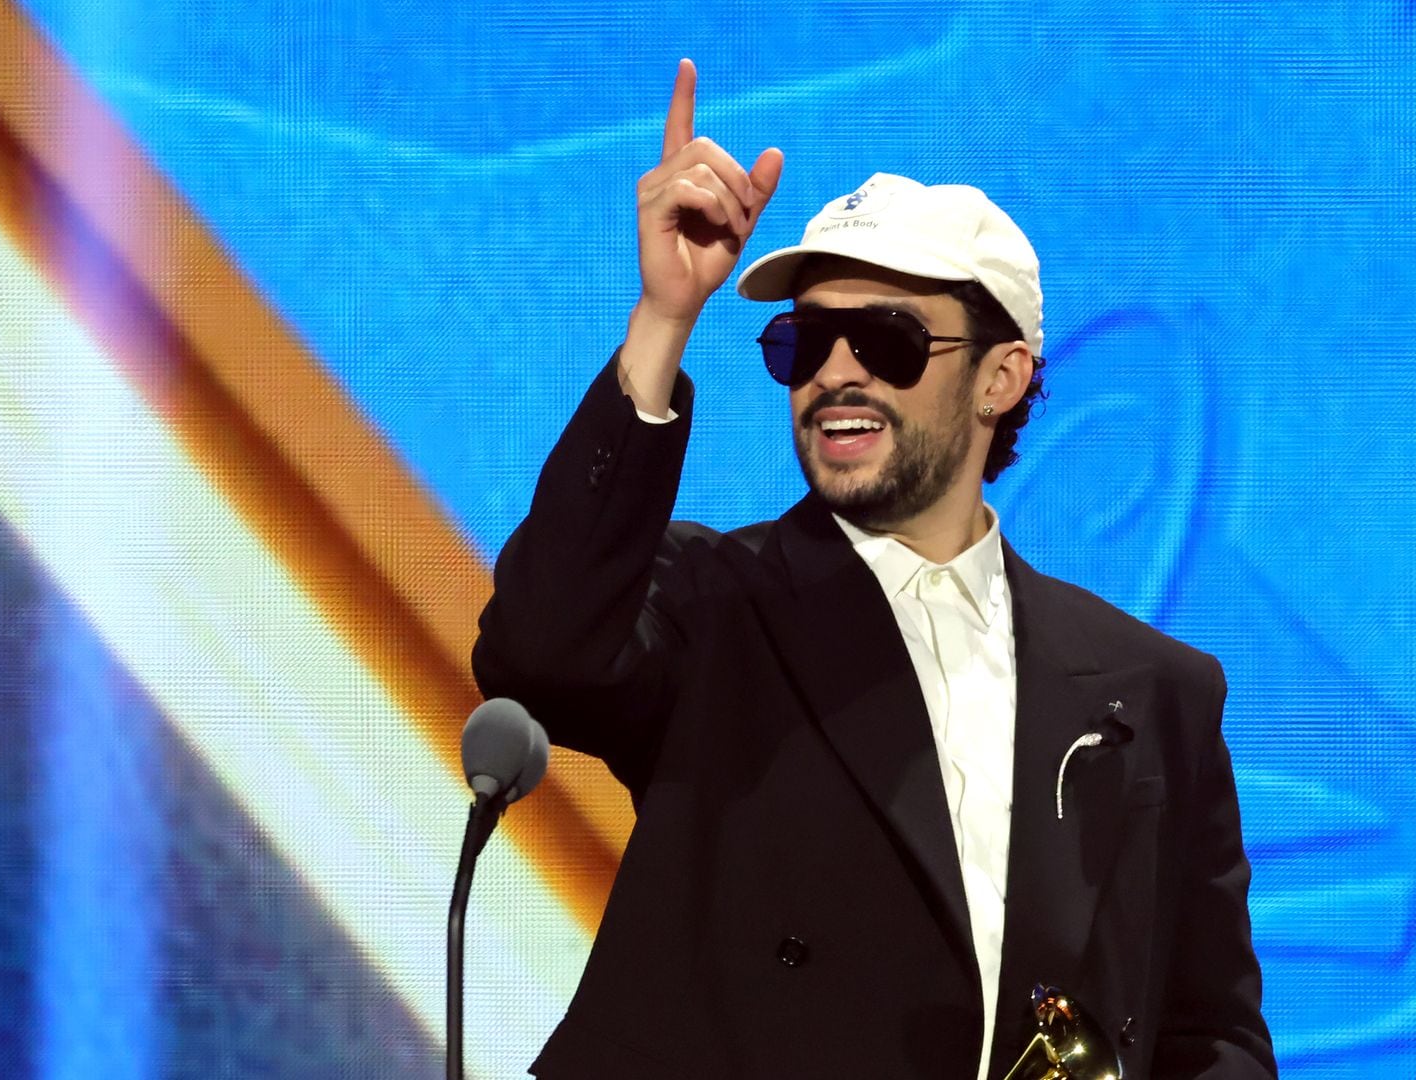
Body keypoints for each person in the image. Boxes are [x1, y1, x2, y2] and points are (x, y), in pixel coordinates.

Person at [473, 59, 1275, 1079]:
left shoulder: (1154, 690)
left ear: (1001, 378)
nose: (836, 371)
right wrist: (665, 320)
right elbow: (539, 653)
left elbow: (1210, 1038)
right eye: (805, 341)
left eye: (888, 340)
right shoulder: (717, 605)